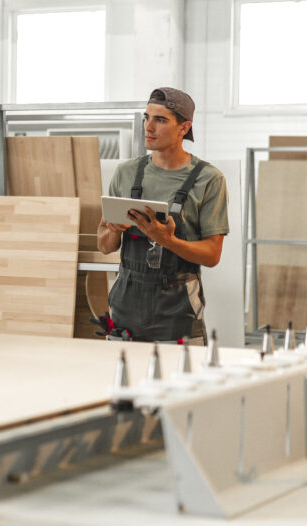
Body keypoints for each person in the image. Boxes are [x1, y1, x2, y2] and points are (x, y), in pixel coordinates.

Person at [96, 87, 228, 343]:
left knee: (179, 381)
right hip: (125, 309)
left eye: (160, 120)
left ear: (184, 127)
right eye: (147, 118)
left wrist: (168, 241)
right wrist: (113, 230)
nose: (148, 127)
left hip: (177, 313)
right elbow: (103, 246)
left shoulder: (209, 179)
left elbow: (212, 255)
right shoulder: (126, 172)